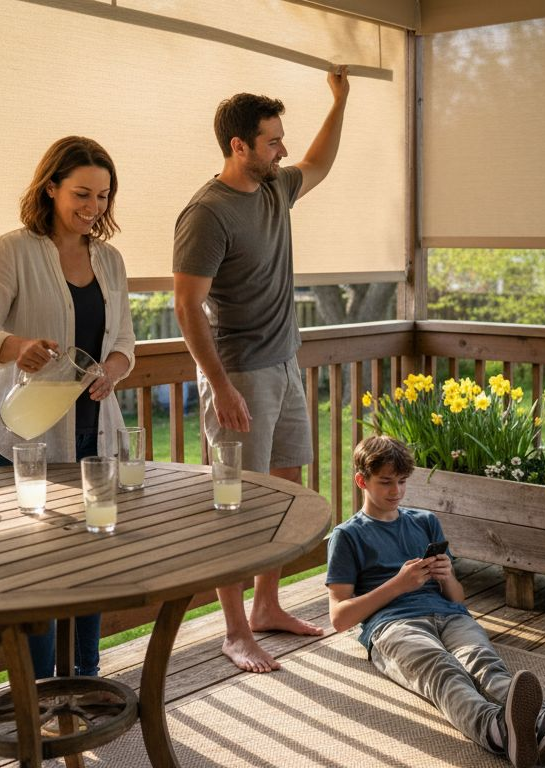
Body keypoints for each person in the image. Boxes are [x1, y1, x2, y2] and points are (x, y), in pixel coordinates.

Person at [172, 66, 350, 673]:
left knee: (286, 492)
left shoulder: (275, 186)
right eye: (272, 140)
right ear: (238, 146)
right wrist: (218, 385)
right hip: (239, 374)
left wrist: (341, 98)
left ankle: (268, 606)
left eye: (281, 138)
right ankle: (234, 629)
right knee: (237, 500)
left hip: (285, 363)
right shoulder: (207, 214)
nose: (284, 149)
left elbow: (321, 163)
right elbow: (186, 305)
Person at [0, 135, 136, 679]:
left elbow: (125, 344)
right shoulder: (10, 250)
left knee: (94, 558)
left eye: (103, 197)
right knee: (33, 565)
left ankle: (83, 677)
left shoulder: (109, 260)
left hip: (93, 432)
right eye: (82, 194)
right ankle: (36, 689)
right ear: (51, 187)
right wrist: (17, 348)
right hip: (26, 433)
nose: (93, 208)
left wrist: (111, 371)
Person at [326, 436, 545, 768]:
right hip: (393, 624)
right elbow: (339, 617)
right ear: (362, 481)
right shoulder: (348, 535)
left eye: (402, 482)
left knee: (483, 661)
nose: (396, 491)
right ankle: (499, 730)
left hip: (449, 615)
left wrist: (445, 576)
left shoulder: (424, 522)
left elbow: (458, 598)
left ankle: (542, 723)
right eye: (386, 482)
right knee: (442, 669)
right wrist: (398, 585)